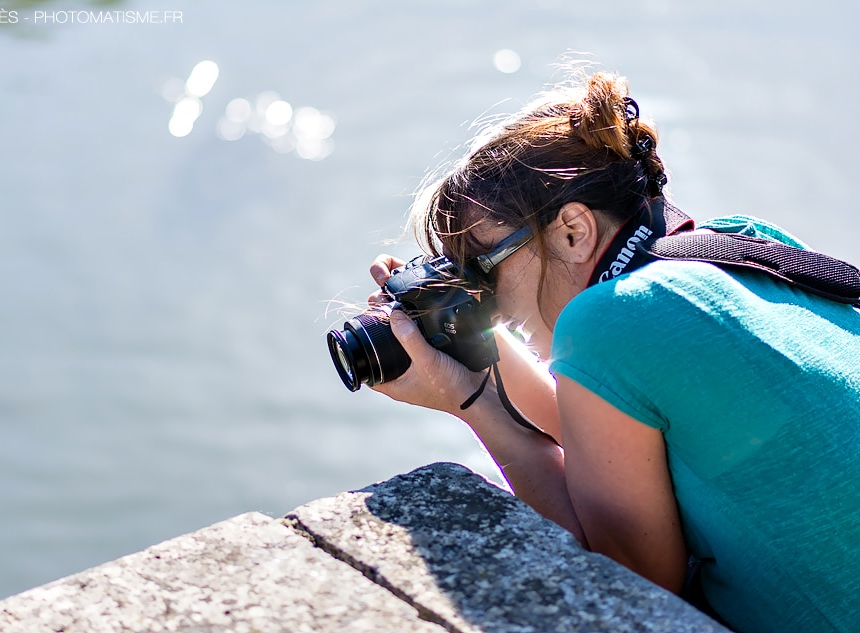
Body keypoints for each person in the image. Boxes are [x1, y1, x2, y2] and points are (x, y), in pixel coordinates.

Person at [364, 70, 860, 633]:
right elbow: (622, 435)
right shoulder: (739, 246)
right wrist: (470, 346)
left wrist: (470, 406)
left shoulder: (609, 321)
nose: (487, 301)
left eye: (480, 267)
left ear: (572, 231)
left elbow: (630, 582)